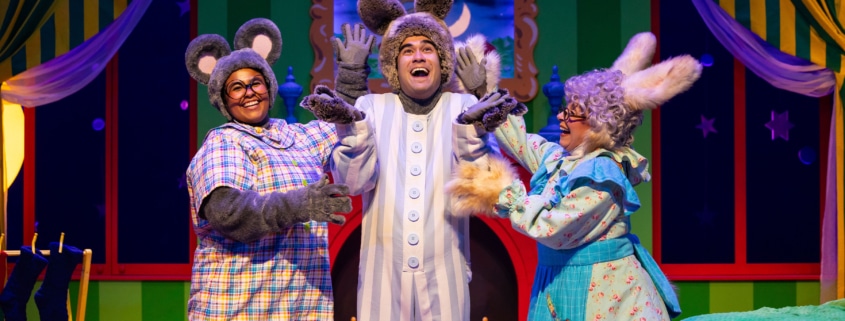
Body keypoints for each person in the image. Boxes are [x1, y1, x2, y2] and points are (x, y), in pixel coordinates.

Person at [446, 32, 702, 320]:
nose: (561, 118)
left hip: (602, 296)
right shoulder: (560, 159)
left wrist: (506, 192)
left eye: (572, 114)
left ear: (598, 125)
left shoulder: (602, 174)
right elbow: (518, 138)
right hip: (562, 285)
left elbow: (551, 226)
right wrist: (484, 90)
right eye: (565, 110)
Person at [300, 0, 524, 320]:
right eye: (407, 49)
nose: (418, 55)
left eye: (427, 48)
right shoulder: (371, 107)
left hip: (444, 275)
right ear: (394, 64)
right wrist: (353, 116)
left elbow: (489, 188)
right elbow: (352, 181)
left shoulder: (461, 106)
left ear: (441, 60)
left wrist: (474, 118)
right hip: (383, 278)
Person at [183, 18, 352, 320]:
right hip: (237, 308)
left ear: (269, 87)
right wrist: (300, 203)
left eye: (255, 82)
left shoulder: (297, 137)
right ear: (223, 99)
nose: (248, 92)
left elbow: (346, 125)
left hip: (301, 308)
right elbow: (228, 213)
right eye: (236, 87)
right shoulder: (224, 143)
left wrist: (351, 75)